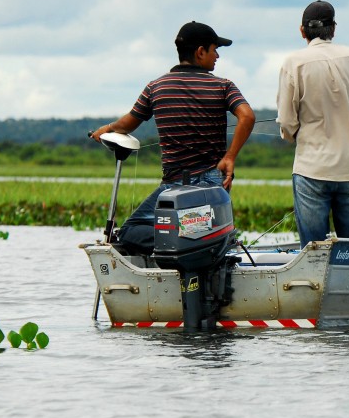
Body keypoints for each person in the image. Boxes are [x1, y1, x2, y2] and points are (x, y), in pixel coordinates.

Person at [90, 20, 256, 253]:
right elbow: (247, 116)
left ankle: (186, 241)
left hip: (171, 187)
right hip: (211, 184)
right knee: (203, 235)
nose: (217, 55)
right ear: (200, 52)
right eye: (214, 49)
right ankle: (202, 242)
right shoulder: (223, 86)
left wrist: (106, 129)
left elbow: (126, 124)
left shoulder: (155, 87)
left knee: (129, 233)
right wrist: (230, 157)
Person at [276, 0, 349, 246]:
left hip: (311, 169)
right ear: (333, 29)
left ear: (302, 31)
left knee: (313, 254)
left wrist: (293, 134)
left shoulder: (293, 62)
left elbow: (286, 120)